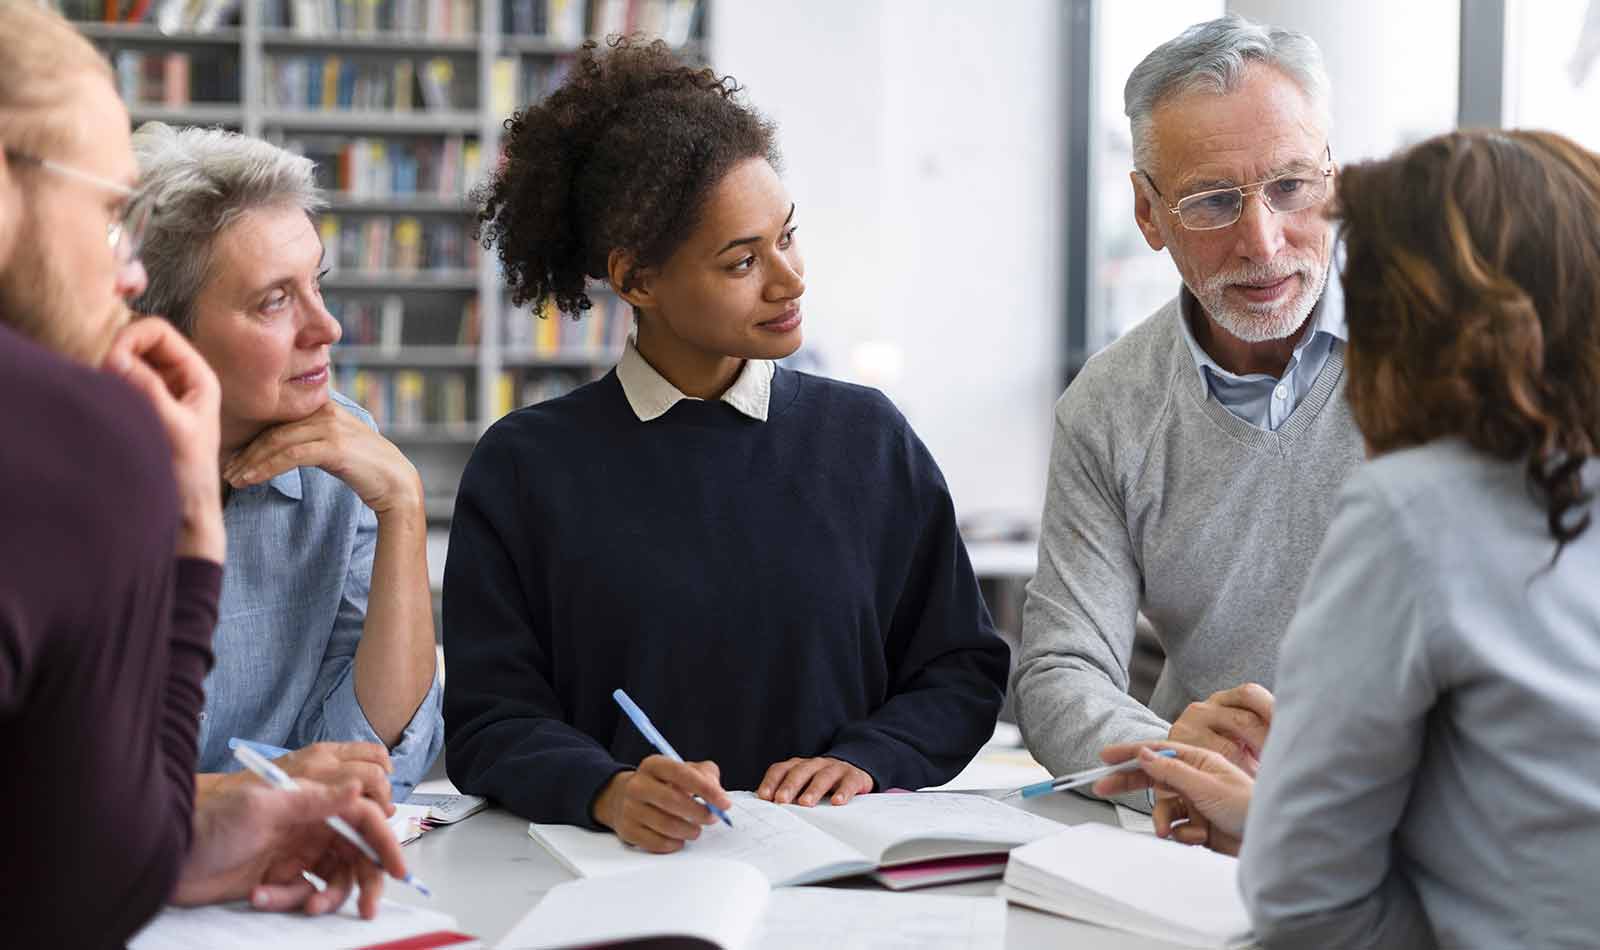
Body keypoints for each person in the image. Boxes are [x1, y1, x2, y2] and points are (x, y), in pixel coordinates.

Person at [443, 37, 1009, 852]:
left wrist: (870, 759)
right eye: (743, 260)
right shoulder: (526, 466)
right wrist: (604, 789)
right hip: (618, 877)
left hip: (839, 872)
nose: (790, 279)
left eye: (787, 236)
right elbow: (491, 720)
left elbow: (960, 672)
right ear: (636, 280)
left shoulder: (868, 439)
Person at [1095, 129, 1600, 949]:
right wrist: (1273, 824)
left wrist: (1291, 850)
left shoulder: (1415, 512)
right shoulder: (1112, 398)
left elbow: (1308, 908)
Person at [0, 4, 405, 946]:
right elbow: (94, 877)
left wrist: (181, 829)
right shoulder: (76, 437)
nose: (127, 273)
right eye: (107, 214)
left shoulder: (335, 456)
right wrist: (190, 529)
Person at [1011, 14, 1364, 813]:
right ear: (1148, 213)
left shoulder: (1448, 356)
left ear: (1333, 182)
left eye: (1290, 186)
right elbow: (1061, 669)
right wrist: (1173, 769)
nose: (1263, 243)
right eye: (1211, 201)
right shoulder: (1108, 407)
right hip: (1197, 835)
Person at [130, 123, 444, 802]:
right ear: (161, 336)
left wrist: (403, 505)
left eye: (316, 284)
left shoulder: (347, 458)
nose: (326, 327)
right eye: (275, 300)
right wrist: (241, 797)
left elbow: (376, 756)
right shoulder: (61, 474)